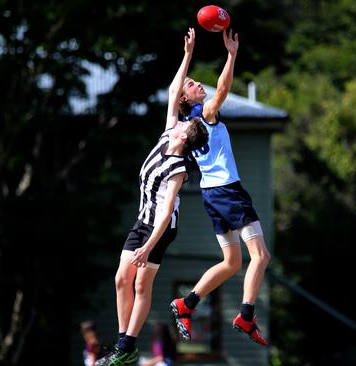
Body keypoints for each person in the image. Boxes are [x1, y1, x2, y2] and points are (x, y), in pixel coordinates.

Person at [95, 27, 208, 366]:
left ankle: (126, 346)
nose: (181, 122)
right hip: (142, 221)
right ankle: (124, 345)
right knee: (120, 279)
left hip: (160, 229)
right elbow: (175, 93)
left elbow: (164, 214)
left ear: (187, 135)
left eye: (186, 125)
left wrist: (148, 245)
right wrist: (187, 54)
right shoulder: (166, 134)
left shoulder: (178, 167)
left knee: (142, 285)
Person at [169, 28, 271, 346]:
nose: (198, 83)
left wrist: (188, 55)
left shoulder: (181, 124)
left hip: (211, 196)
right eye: (191, 84)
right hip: (228, 192)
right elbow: (223, 89)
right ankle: (246, 315)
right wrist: (231, 55)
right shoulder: (205, 115)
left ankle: (187, 303)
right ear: (186, 99)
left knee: (232, 262)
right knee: (261, 256)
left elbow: (179, 94)